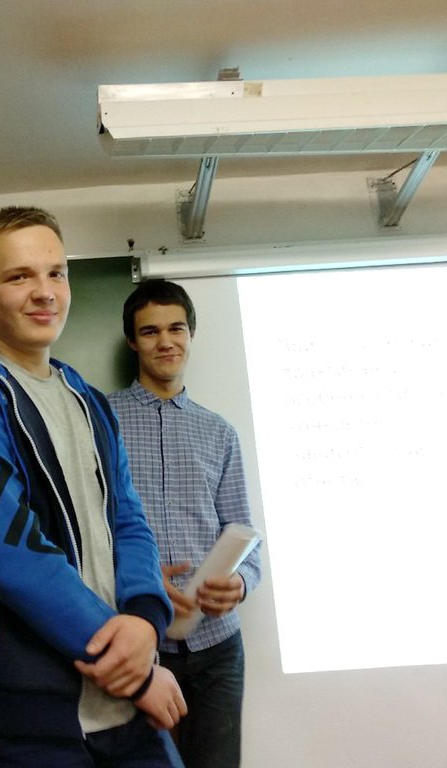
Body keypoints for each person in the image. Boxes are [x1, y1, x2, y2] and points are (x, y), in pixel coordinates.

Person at [0, 206, 187, 766]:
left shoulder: (88, 400)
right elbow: (17, 559)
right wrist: (136, 672)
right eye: (19, 276)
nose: (44, 292)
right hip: (22, 721)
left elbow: (127, 520)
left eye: (56, 273)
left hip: (123, 703)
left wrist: (145, 620)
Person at [108, 279, 262, 768]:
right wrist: (132, 579)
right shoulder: (101, 423)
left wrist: (240, 582)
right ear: (132, 341)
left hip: (217, 646)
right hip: (140, 641)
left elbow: (247, 540)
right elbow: (84, 532)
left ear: (191, 334)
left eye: (176, 328)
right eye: (149, 331)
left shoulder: (219, 432)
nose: (165, 341)